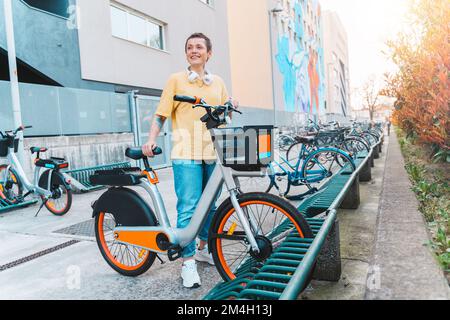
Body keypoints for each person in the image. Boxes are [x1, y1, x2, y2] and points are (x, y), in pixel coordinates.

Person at [142, 33, 235, 289]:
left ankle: (204, 247)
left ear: (209, 53)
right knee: (189, 207)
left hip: (211, 153)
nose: (194, 51)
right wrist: (151, 140)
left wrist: (229, 107)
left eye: (199, 47)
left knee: (211, 207)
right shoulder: (176, 80)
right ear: (186, 54)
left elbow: (225, 118)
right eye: (190, 47)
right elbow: (161, 114)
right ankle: (188, 262)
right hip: (185, 153)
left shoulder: (217, 82)